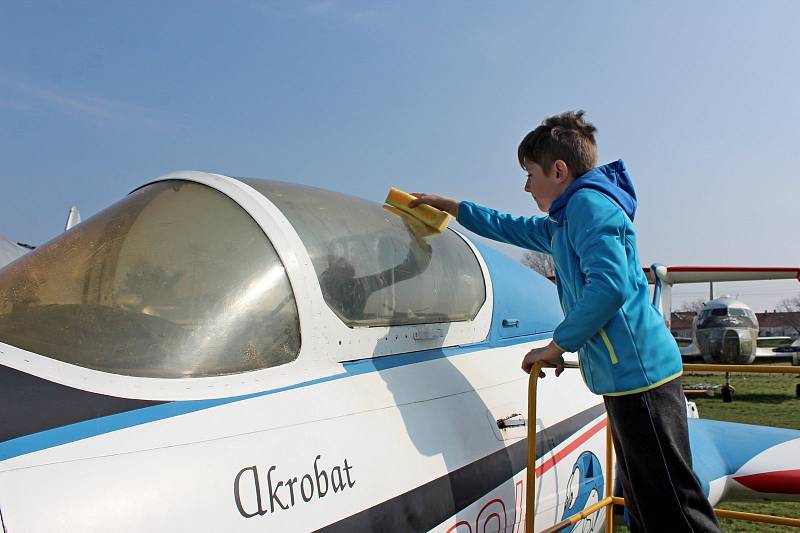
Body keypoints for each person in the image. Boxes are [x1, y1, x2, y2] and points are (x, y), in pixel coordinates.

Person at [409, 111, 721, 533]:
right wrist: (455, 208)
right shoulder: (564, 221)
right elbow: (510, 227)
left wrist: (557, 345)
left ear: (559, 171)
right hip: (624, 380)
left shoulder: (590, 208)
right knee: (643, 506)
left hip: (643, 379)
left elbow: (608, 287)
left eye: (529, 174)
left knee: (673, 508)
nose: (525, 186)